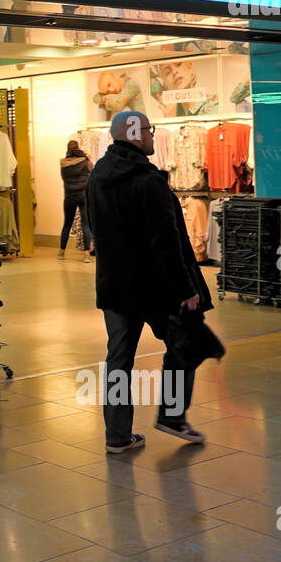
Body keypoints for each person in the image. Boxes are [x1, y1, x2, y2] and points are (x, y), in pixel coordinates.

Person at [85, 110, 210, 453]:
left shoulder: (97, 176)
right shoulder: (148, 179)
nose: (153, 137)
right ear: (136, 134)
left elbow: (94, 227)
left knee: (119, 359)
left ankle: (117, 436)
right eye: (150, 131)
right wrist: (186, 290)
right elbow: (165, 242)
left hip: (114, 285)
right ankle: (172, 417)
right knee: (185, 345)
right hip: (155, 288)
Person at [58, 140, 93, 263]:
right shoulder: (85, 161)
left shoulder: (63, 163)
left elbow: (64, 178)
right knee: (85, 225)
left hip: (69, 196)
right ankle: (87, 254)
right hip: (83, 196)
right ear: (78, 148)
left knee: (67, 224)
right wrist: (87, 158)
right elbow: (92, 171)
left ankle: (61, 252)